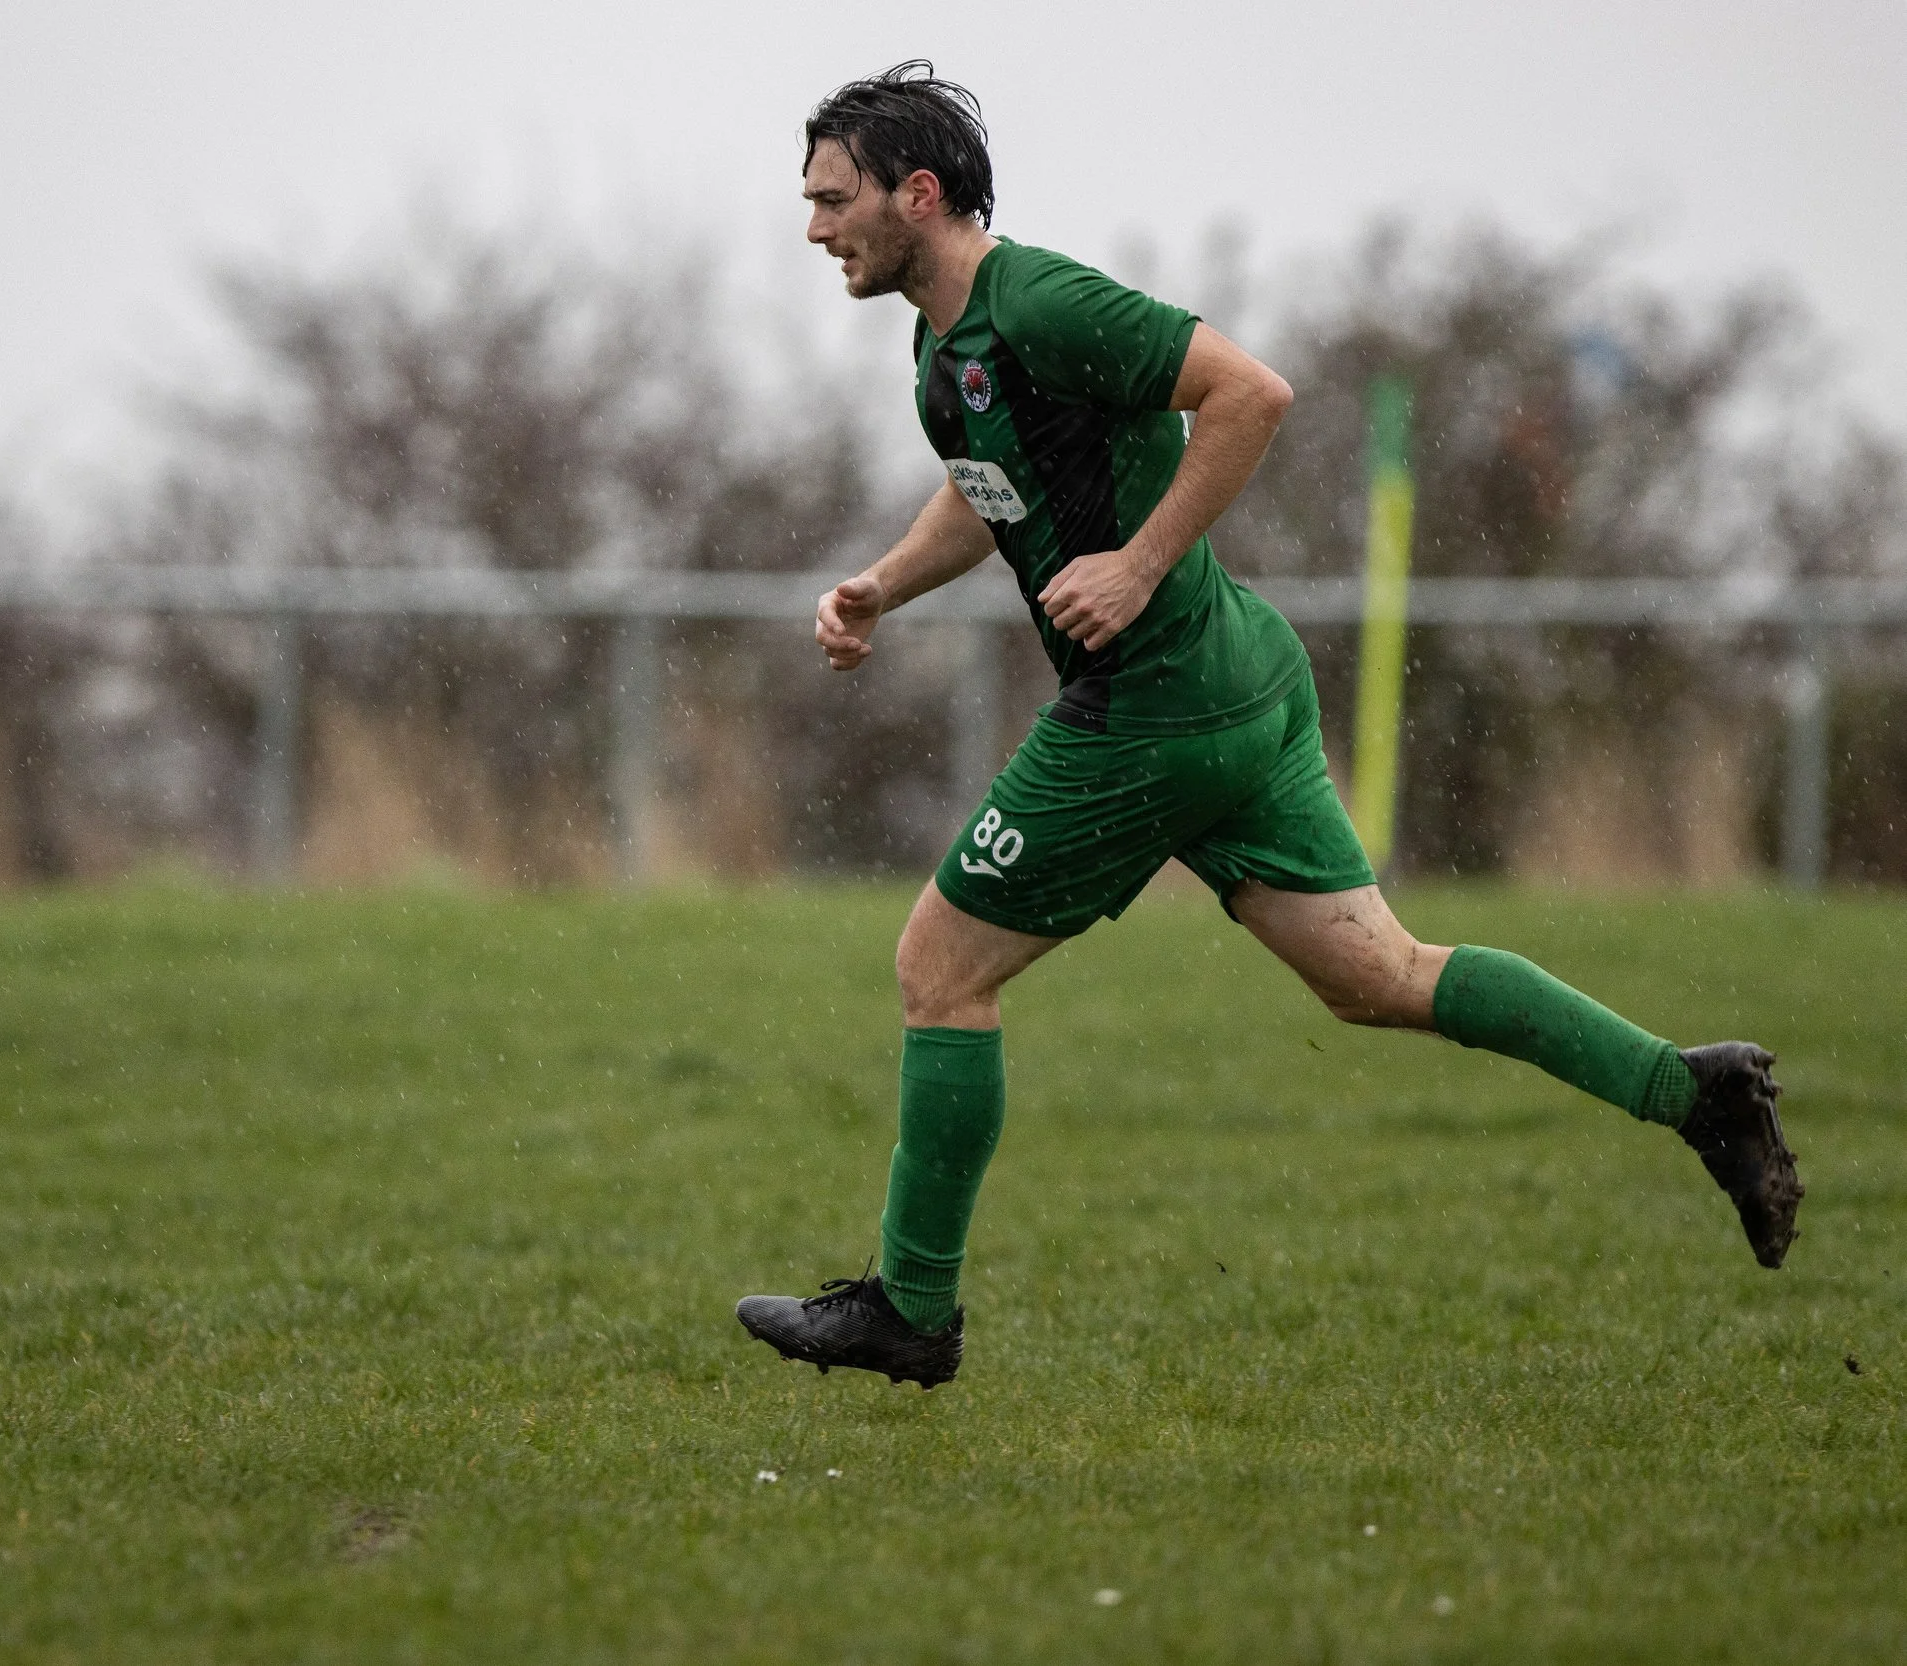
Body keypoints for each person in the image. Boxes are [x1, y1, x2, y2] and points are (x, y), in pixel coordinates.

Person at [734, 63, 1802, 1391]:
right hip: (1238, 682)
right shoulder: (945, 351)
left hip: (1157, 703)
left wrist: (1134, 565)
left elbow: (1252, 393)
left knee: (940, 967)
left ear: (920, 192)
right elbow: (984, 491)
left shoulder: (1045, 301)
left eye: (833, 199)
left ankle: (913, 1309)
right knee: (1379, 977)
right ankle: (1691, 1089)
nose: (816, 227)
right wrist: (881, 586)